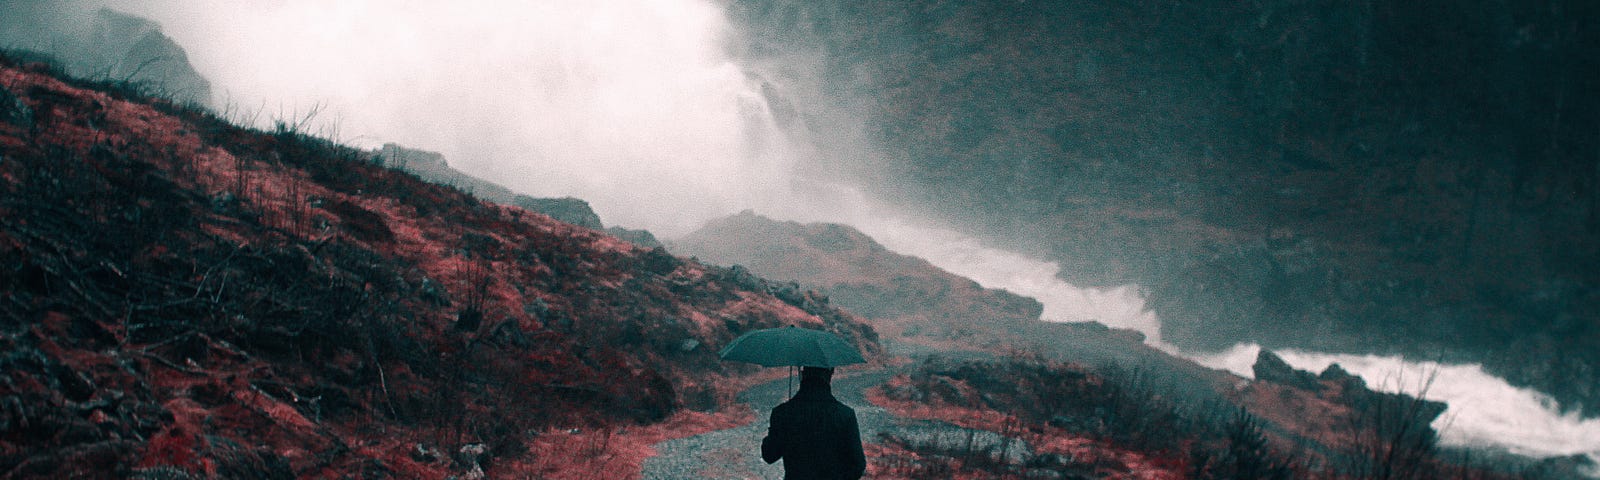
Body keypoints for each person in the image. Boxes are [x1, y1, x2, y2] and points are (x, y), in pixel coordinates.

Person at [761, 366, 866, 480]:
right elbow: (858, 465)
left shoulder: (782, 412)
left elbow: (769, 455)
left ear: (802, 374)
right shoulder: (845, 415)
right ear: (831, 373)